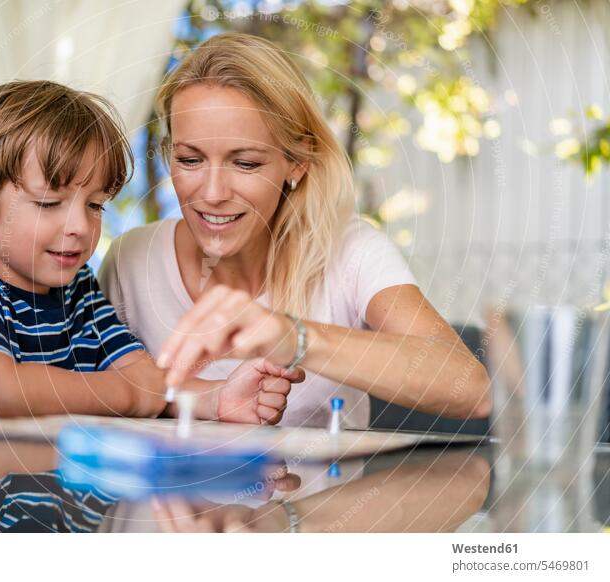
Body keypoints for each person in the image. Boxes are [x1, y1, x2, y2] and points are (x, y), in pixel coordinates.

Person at [100, 32, 491, 429]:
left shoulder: (351, 251)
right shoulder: (132, 261)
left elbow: (471, 389)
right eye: (189, 159)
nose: (213, 194)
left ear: (297, 161)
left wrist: (294, 337)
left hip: (325, 493)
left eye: (246, 164)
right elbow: (96, 394)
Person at [0, 79, 302, 425]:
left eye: (94, 205)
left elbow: (152, 381)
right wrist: (131, 394)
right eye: (49, 203)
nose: (80, 227)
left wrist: (216, 398)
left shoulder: (79, 292)